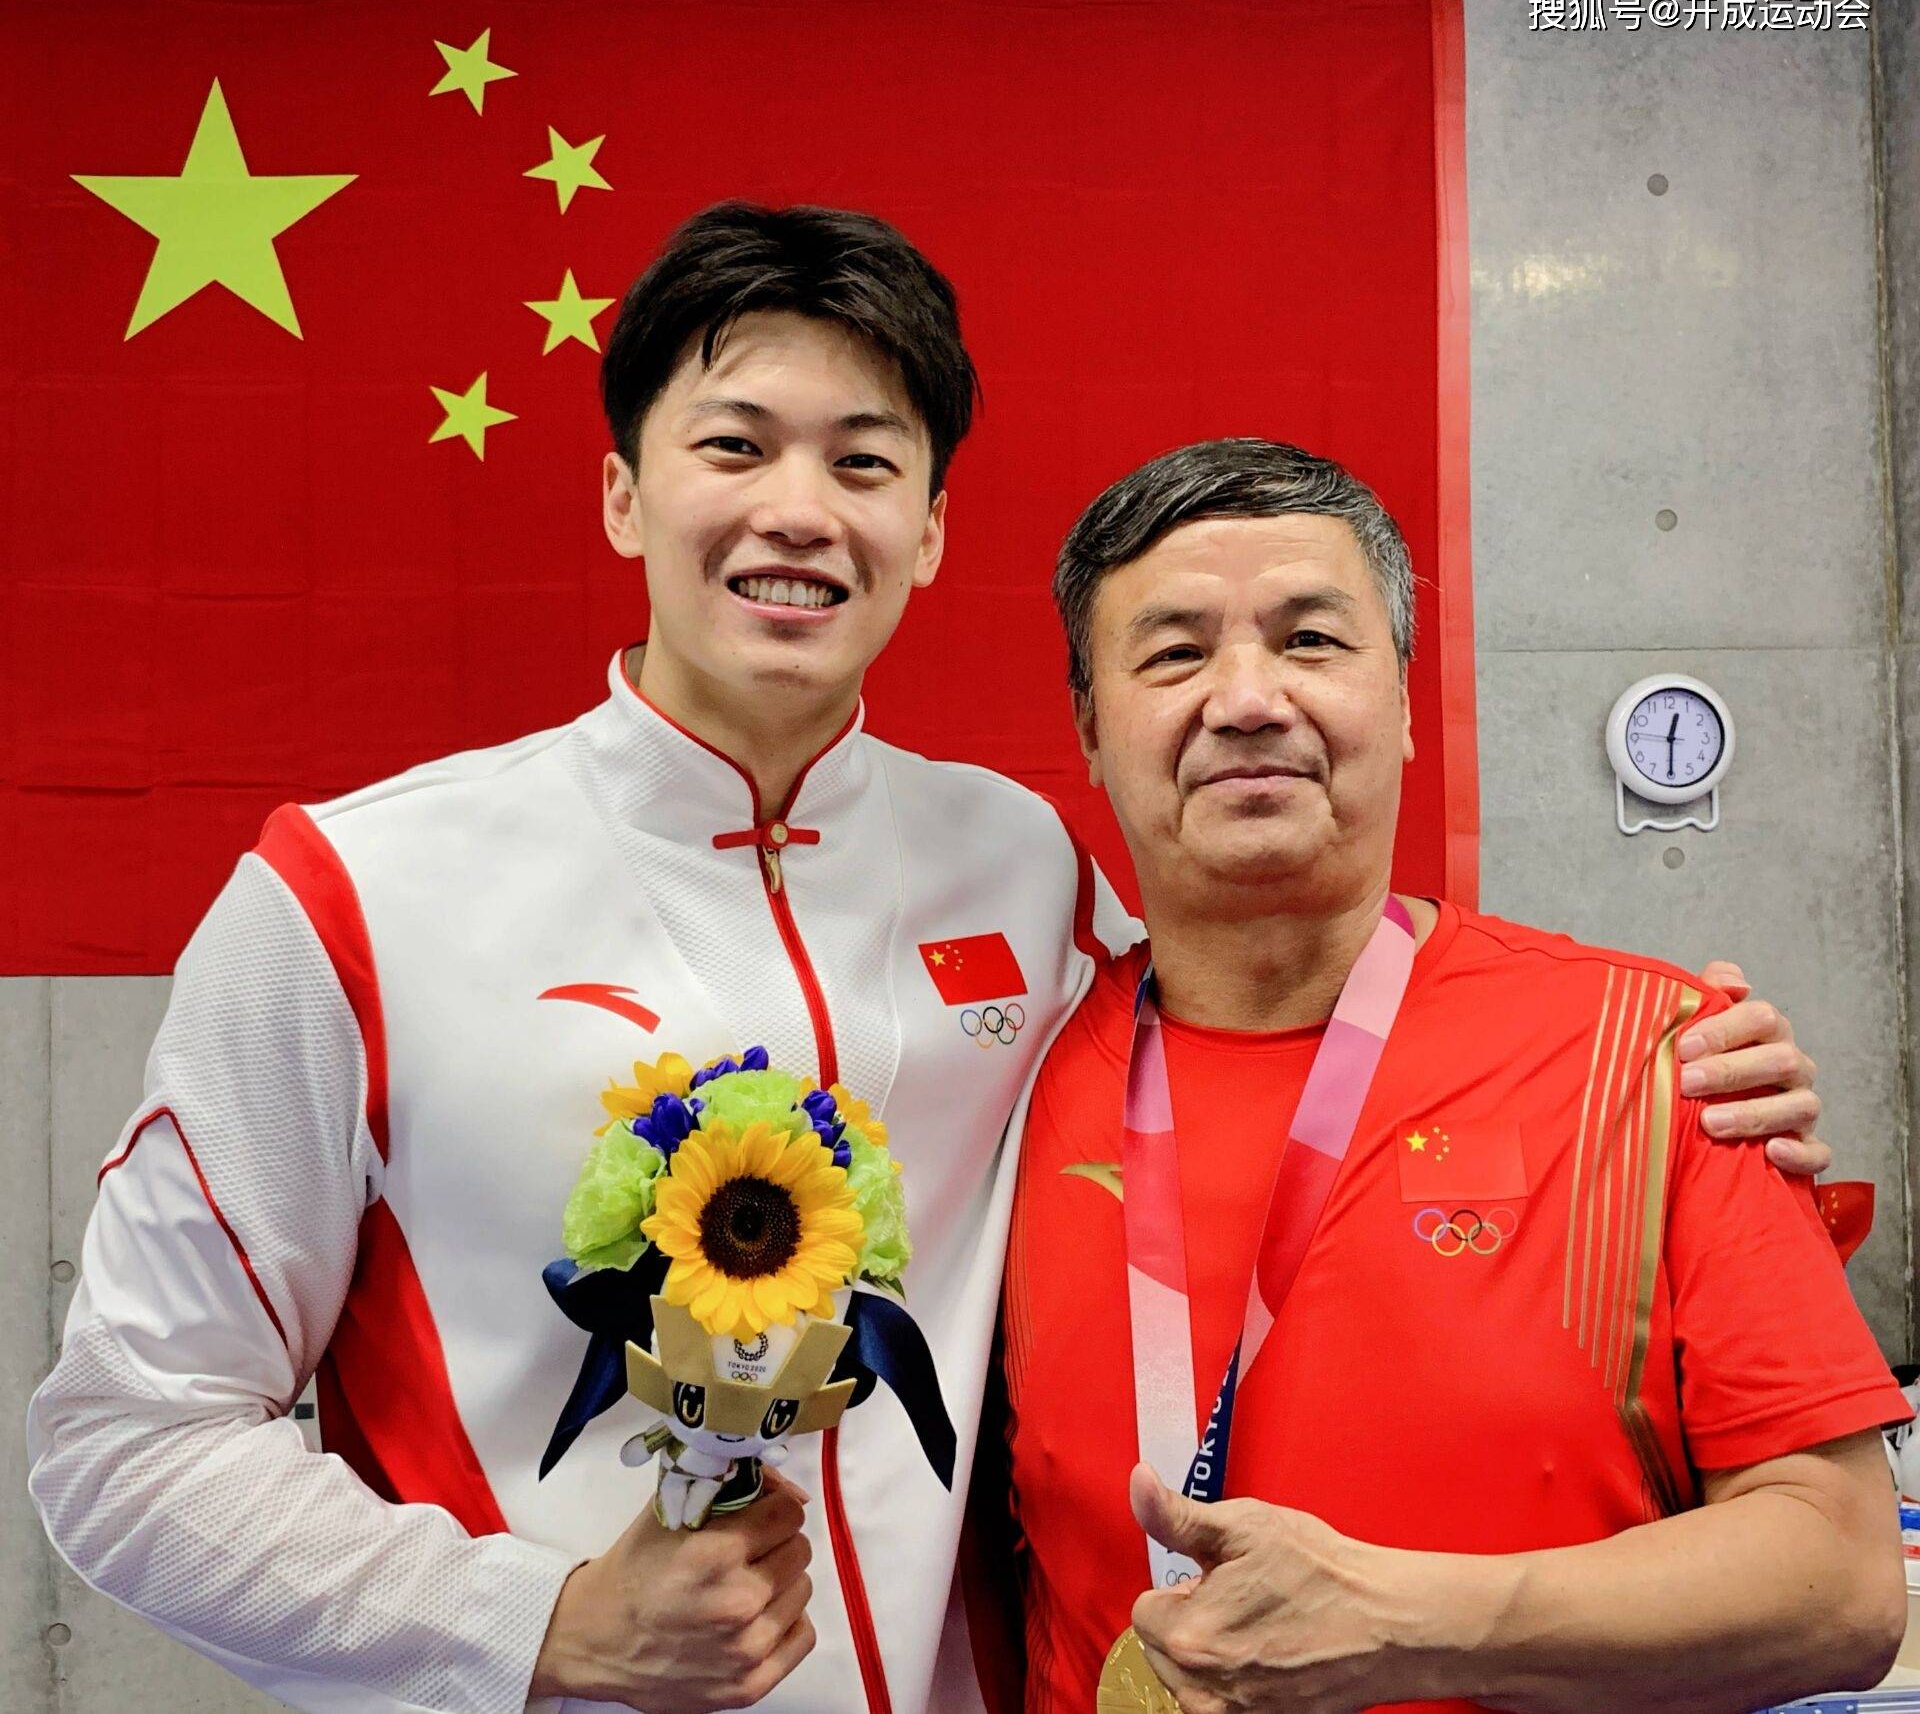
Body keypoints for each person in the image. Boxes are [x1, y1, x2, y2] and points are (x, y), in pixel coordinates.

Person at [26, 206, 1828, 1714]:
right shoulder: (348, 892)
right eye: (733, 446)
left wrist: (1688, 1080)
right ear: (621, 497)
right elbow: (124, 1447)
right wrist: (537, 1626)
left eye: (864, 461)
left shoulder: (1019, 860)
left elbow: (1286, 1017)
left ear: (931, 530)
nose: (800, 509)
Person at [1000, 437, 1910, 1714]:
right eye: (1176, 652)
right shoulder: (1004, 1089)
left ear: (1411, 701)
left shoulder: (1661, 1056)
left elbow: (1843, 1582)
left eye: (1312, 640)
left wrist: (1407, 1628)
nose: (1249, 696)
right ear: (1092, 730)